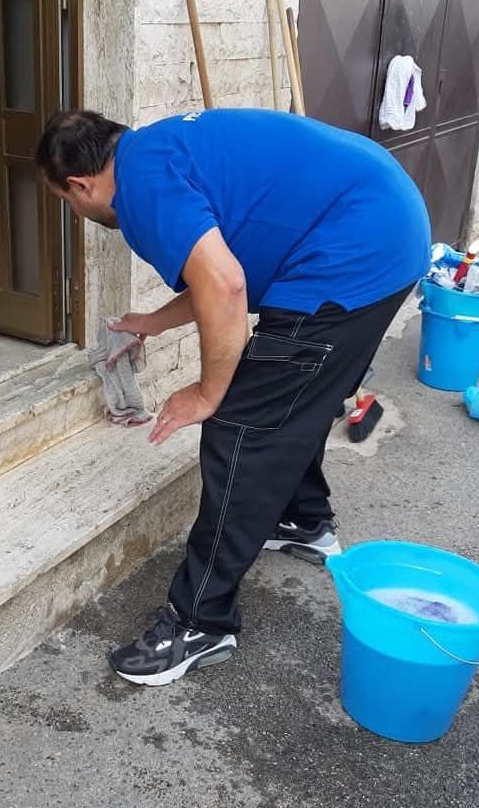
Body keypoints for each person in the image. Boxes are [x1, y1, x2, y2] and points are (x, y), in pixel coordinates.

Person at [35, 108, 430, 687]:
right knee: (295, 397)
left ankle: (201, 621)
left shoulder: (141, 189)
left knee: (241, 429)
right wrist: (153, 322)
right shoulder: (156, 151)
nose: (78, 213)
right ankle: (304, 521)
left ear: (80, 183)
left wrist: (207, 393)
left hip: (352, 253)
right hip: (384, 232)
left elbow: (225, 285)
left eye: (68, 203)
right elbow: (215, 276)